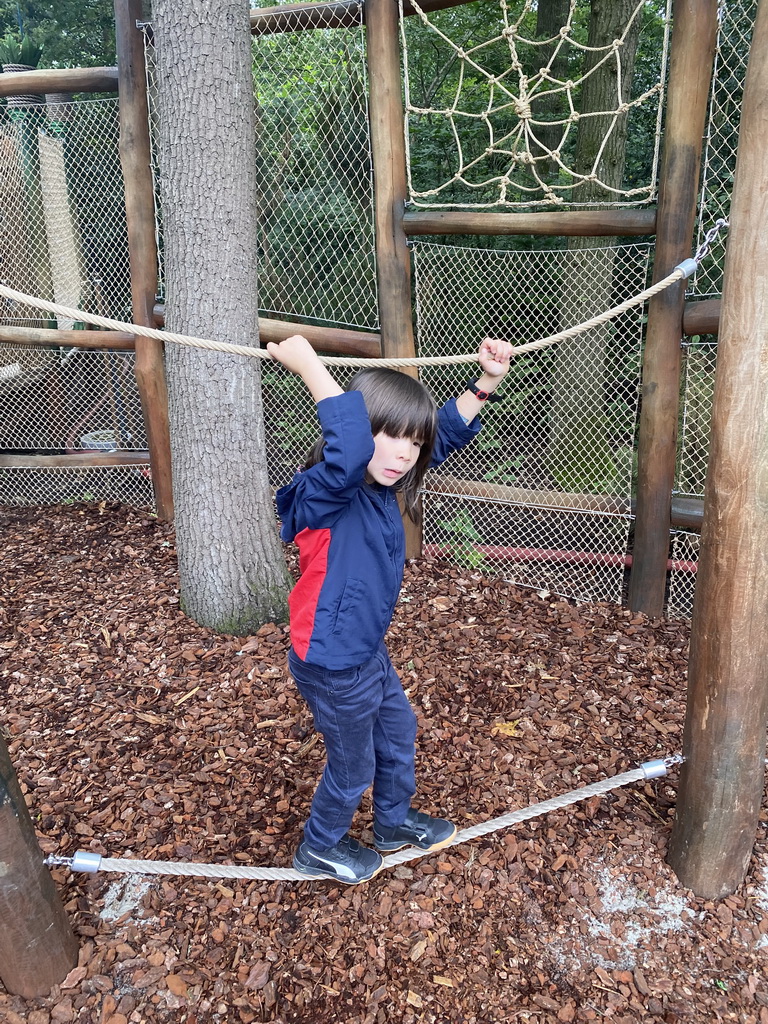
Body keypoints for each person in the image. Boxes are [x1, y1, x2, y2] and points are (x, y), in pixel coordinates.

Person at [267, 334, 514, 884]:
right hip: (331, 663)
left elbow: (440, 435)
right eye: (389, 436)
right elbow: (351, 445)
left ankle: (392, 821)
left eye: (412, 444)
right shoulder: (326, 492)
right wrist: (310, 367)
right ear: (358, 432)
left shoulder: (384, 485)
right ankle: (319, 846)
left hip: (365, 653)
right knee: (352, 766)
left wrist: (486, 383)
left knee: (398, 733)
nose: (403, 453)